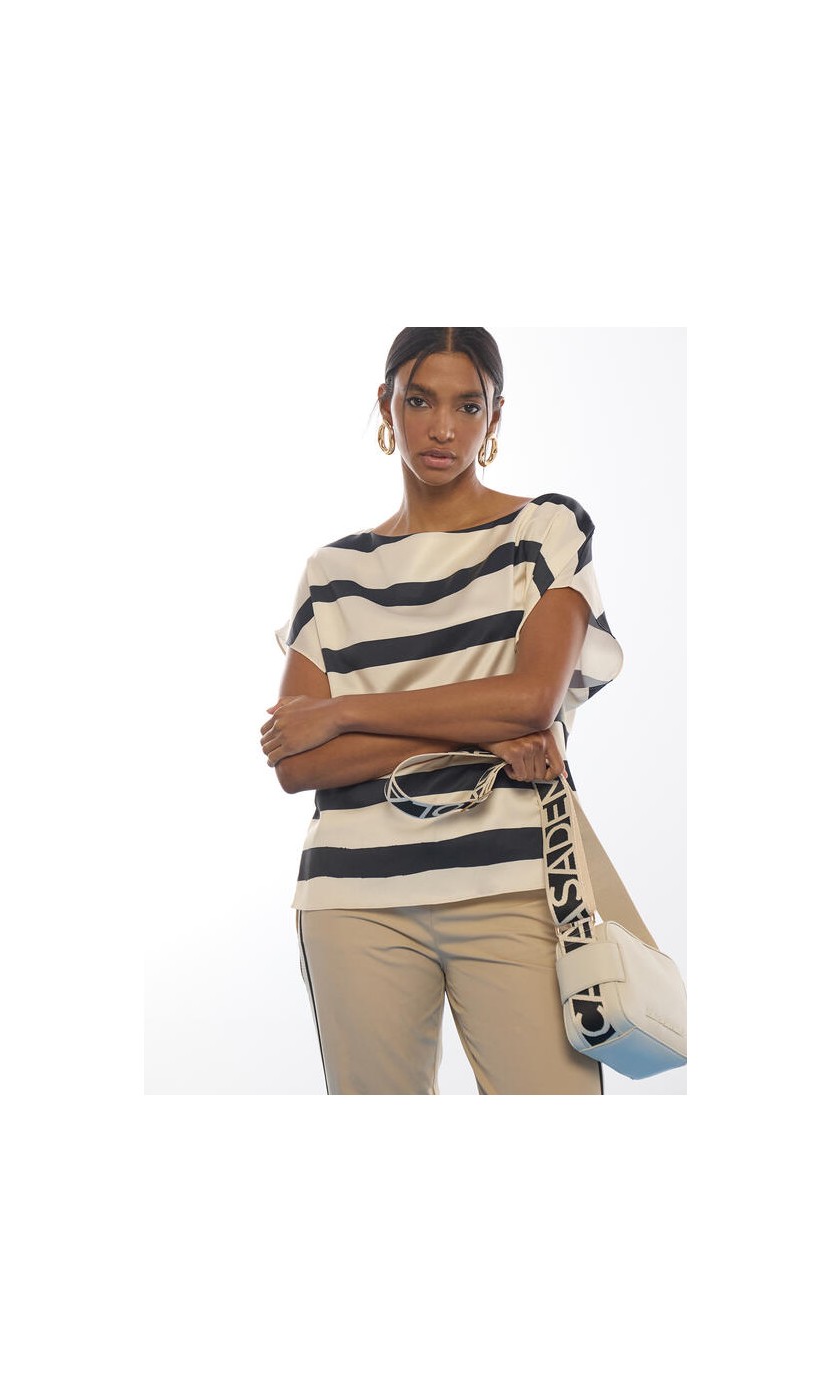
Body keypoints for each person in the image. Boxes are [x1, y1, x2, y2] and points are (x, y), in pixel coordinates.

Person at [261, 327, 626, 1095]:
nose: (443, 428)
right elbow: (298, 762)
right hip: (353, 900)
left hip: (511, 885)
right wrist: (487, 742)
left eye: (469, 406)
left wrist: (345, 712)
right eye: (421, 401)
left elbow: (531, 699)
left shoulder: (542, 532)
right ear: (386, 404)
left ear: (495, 416)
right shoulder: (331, 574)